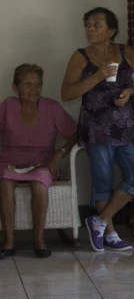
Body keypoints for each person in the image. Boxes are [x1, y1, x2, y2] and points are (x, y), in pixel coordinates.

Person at [61, 7, 134, 253]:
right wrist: (98, 76)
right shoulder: (80, 56)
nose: (91, 29)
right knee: (103, 181)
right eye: (88, 25)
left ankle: (98, 221)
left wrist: (131, 91)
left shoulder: (126, 52)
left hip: (126, 127)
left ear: (111, 30)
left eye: (97, 25)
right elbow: (67, 93)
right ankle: (109, 233)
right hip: (96, 128)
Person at [0, 65, 78, 258]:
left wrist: (60, 153)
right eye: (28, 84)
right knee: (4, 182)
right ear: (15, 87)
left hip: (42, 163)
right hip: (9, 162)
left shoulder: (51, 107)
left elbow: (76, 133)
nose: (34, 89)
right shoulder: (8, 105)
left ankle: (39, 240)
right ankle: (9, 243)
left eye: (38, 84)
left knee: (39, 184)